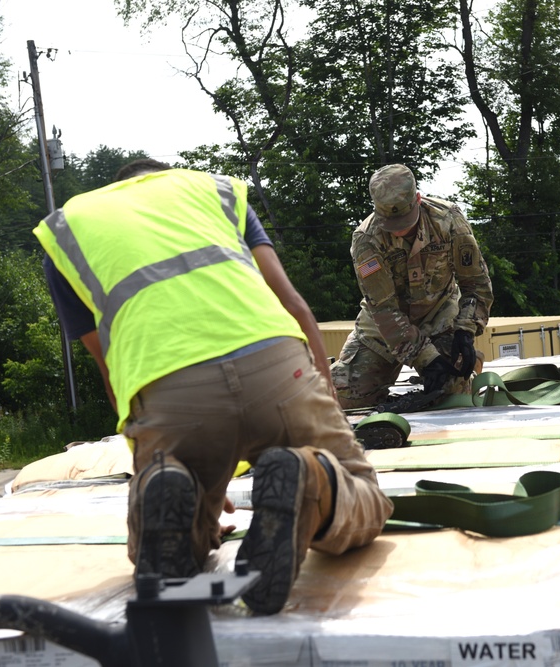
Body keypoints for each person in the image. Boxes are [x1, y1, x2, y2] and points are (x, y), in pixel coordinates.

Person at [33, 158, 393, 615]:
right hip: (277, 367)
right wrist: (328, 419)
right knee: (358, 489)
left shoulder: (69, 230)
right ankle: (310, 478)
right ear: (165, 175)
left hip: (168, 389)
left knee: (175, 522)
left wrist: (179, 464)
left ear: (117, 188)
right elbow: (295, 305)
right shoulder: (218, 192)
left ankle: (172, 485)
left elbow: (112, 372)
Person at [331, 164, 494, 409]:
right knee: (346, 398)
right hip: (384, 328)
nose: (398, 229)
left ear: (418, 199)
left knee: (450, 394)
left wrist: (465, 331)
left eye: (404, 221)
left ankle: (464, 372)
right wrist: (426, 358)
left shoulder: (448, 221)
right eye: (391, 223)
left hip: (439, 316)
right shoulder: (366, 240)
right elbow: (384, 310)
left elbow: (475, 284)